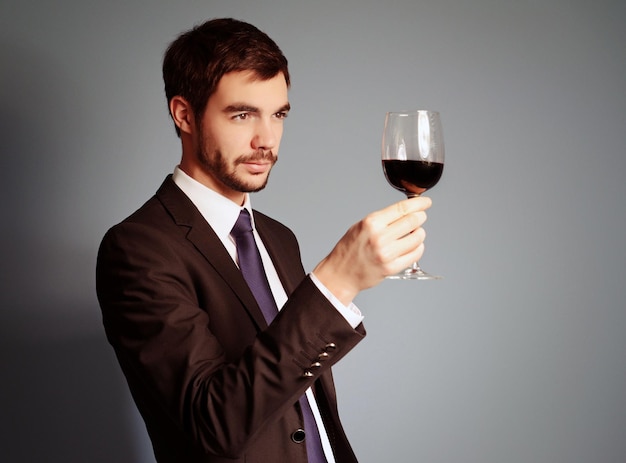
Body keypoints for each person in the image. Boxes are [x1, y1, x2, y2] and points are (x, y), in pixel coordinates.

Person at [96, 17, 431, 463]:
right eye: (242, 114)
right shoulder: (138, 249)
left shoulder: (277, 238)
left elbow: (295, 395)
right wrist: (336, 282)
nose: (267, 140)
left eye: (278, 115)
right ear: (184, 114)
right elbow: (214, 425)